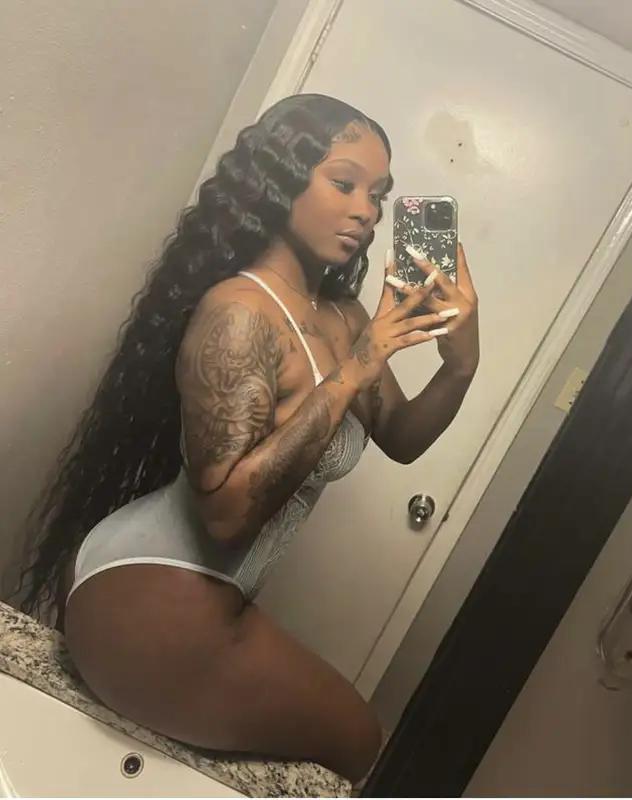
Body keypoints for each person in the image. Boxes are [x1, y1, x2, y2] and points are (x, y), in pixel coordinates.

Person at [13, 93, 479, 783]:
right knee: (359, 744)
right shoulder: (238, 312)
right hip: (147, 589)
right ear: (282, 180)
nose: (366, 211)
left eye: (379, 196)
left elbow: (403, 438)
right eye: (343, 183)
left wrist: (461, 362)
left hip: (213, 594)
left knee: (358, 743)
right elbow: (226, 517)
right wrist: (362, 363)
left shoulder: (344, 315)